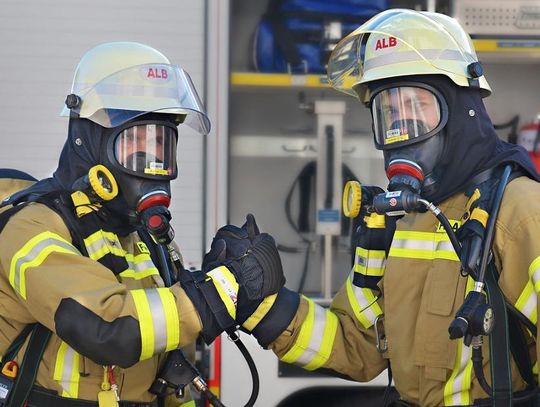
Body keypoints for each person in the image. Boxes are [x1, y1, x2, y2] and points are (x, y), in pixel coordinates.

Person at [203, 9, 540, 407]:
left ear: (463, 108)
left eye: (417, 107)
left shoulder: (520, 213)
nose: (403, 129)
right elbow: (357, 346)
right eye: (390, 114)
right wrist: (265, 305)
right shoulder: (400, 220)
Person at [0, 42, 286, 407]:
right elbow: (108, 330)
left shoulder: (151, 243)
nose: (151, 162)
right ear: (87, 141)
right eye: (134, 143)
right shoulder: (34, 228)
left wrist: (210, 281)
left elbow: (167, 363)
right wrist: (221, 292)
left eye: (161, 146)